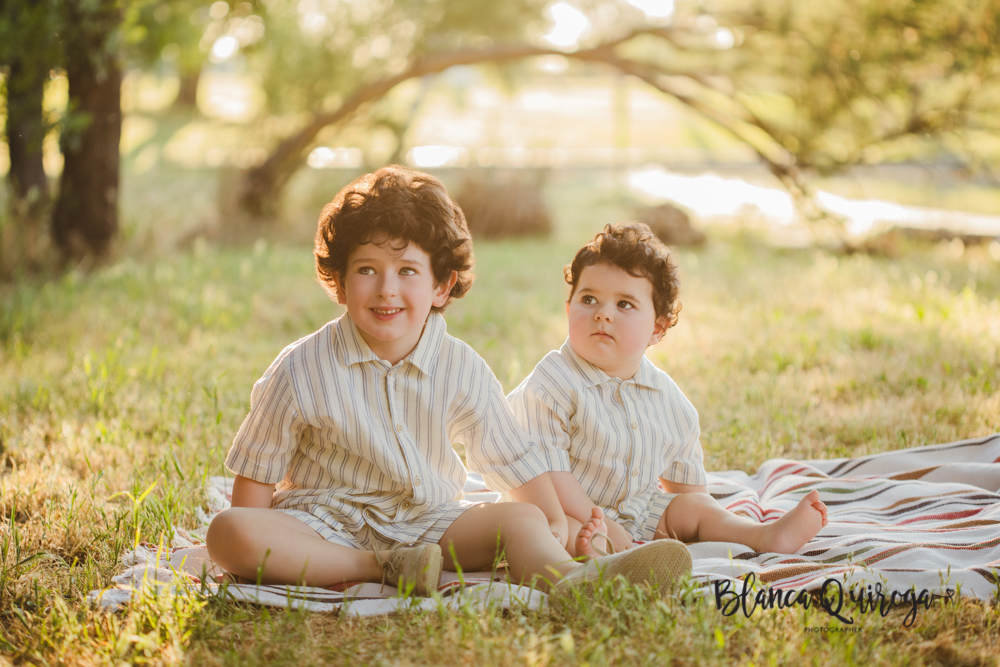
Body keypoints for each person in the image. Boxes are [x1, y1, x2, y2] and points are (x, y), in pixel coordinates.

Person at [206, 167, 691, 600]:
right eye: (366, 270)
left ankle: (568, 581)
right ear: (340, 279)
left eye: (408, 271)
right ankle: (379, 568)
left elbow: (512, 458)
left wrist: (558, 521)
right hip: (326, 525)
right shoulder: (301, 369)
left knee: (521, 519)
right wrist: (255, 535)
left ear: (441, 286)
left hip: (428, 524)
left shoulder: (459, 367)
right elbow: (254, 489)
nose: (386, 289)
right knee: (229, 531)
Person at [508, 222, 828, 558]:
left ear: (657, 328)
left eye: (624, 305)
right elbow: (549, 474)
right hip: (558, 508)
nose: (603, 314)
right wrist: (597, 521)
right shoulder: (552, 382)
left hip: (637, 511)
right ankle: (602, 558)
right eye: (589, 299)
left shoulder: (668, 401)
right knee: (545, 530)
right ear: (569, 308)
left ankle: (761, 536)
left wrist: (698, 516)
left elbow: (688, 490)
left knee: (694, 509)